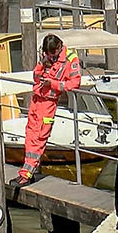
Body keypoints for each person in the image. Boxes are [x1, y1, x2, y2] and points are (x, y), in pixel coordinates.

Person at [14, 34, 81, 186]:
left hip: (48, 104)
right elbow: (36, 76)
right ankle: (27, 171)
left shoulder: (71, 59)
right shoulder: (46, 57)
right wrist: (42, 64)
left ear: (58, 48)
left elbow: (74, 83)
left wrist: (53, 84)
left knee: (38, 139)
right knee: (30, 137)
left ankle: (26, 174)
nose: (49, 57)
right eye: (47, 54)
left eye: (51, 54)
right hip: (36, 100)